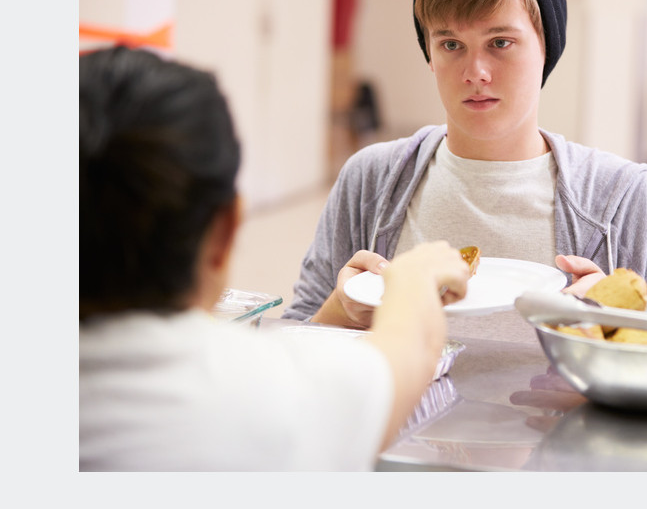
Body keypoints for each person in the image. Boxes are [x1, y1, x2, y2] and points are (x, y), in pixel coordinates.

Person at [79, 45, 471, 471]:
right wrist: (412, 278)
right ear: (226, 229)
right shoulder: (272, 396)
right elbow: (406, 356)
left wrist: (337, 309)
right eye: (451, 44)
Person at [283, 0, 647, 328]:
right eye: (450, 45)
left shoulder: (622, 198)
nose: (475, 73)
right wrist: (342, 308)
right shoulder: (370, 181)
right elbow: (297, 339)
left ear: (546, 48)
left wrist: (611, 323)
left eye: (500, 43)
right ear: (429, 53)